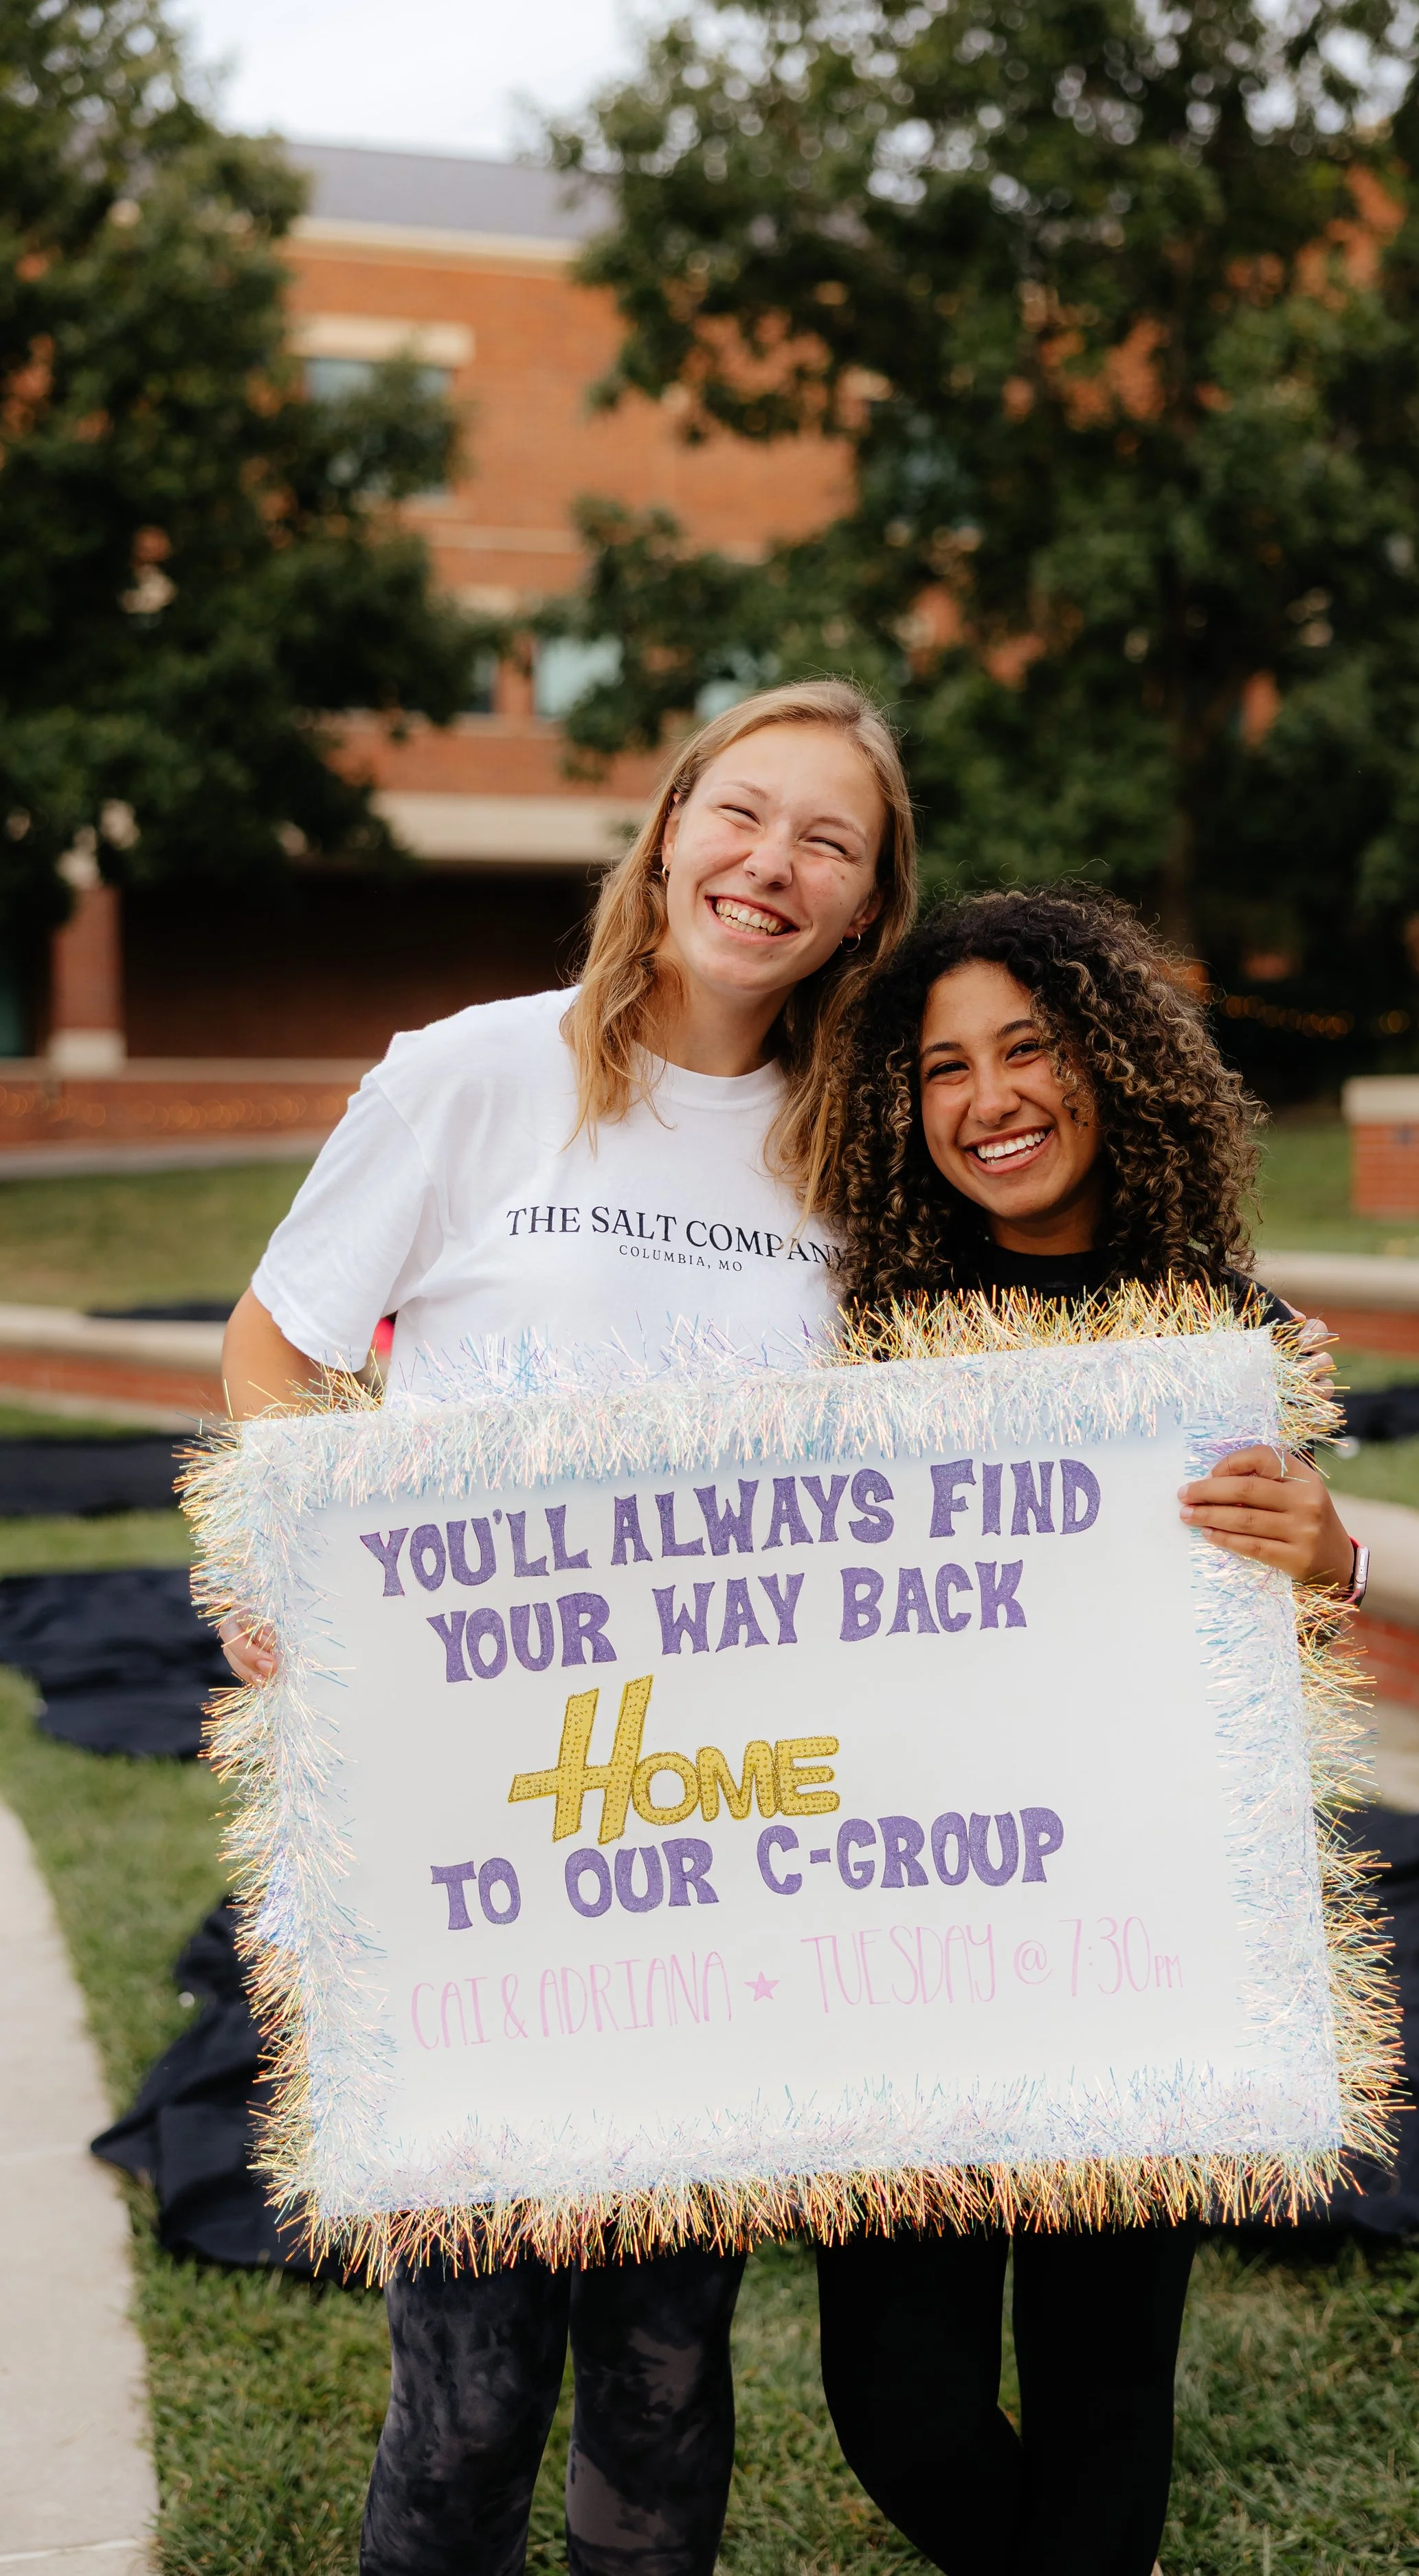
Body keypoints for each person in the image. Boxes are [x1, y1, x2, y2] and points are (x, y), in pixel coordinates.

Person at [216, 678, 918, 2576]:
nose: (770, 864)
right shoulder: (469, 1069)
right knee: (465, 2388)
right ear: (670, 826)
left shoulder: (859, 1151)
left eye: (826, 841)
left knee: (669, 2368)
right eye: (742, 813)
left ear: (867, 903)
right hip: (469, 1830)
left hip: (719, 1836)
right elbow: (278, 1349)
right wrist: (294, 1564)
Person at [814, 885, 1360, 2576]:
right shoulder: (851, 1342)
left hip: (1147, 1939)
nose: (989, 1099)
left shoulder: (1225, 1342)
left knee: (1104, 2391)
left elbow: (1287, 1636)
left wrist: (1334, 1559)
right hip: (905, 1947)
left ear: (1114, 1063)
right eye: (941, 1070)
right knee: (896, 2409)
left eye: (1029, 1048)